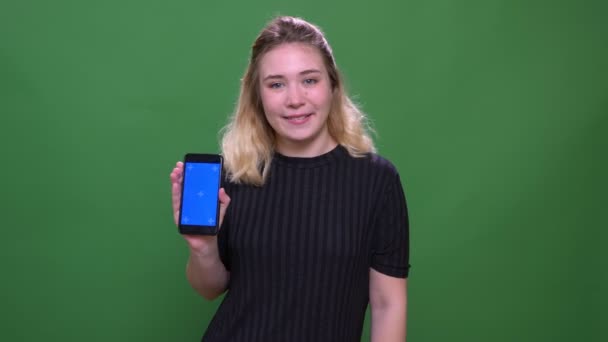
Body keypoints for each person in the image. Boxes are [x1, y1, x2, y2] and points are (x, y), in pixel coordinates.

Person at [170, 16, 410, 342]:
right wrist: (202, 249)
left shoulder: (377, 181)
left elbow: (388, 304)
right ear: (258, 96)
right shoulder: (235, 175)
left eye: (309, 80)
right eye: (276, 84)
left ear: (333, 85)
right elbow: (208, 288)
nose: (295, 99)